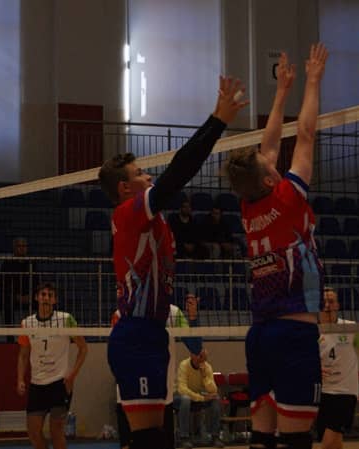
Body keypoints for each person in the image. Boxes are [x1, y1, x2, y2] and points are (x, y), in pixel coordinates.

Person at [99, 75, 247, 449]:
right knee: (149, 439)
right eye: (139, 174)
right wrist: (218, 120)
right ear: (125, 188)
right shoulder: (129, 213)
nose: (148, 175)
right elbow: (180, 171)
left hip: (153, 333)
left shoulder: (151, 219)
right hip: (135, 335)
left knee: (159, 437)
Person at [224, 45, 328, 449]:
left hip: (261, 334)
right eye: (270, 165)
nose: (273, 160)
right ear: (270, 180)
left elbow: (268, 149)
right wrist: (313, 80)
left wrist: (282, 91)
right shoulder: (287, 197)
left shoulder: (248, 207)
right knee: (296, 438)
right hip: (294, 333)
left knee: (262, 436)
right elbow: (305, 135)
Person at [112, 296, 200, 449]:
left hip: (162, 398)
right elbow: (115, 353)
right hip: (130, 398)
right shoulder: (121, 314)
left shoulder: (173, 313)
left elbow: (196, 348)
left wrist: (193, 318)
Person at [17, 283, 88, 449]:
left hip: (59, 384)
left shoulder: (66, 319)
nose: (46, 298)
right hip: (37, 384)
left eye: (50, 295)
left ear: (55, 300)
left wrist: (72, 375)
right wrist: (20, 379)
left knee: (56, 431)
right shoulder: (27, 323)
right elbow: (23, 355)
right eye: (43, 294)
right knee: (33, 432)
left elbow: (83, 348)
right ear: (36, 297)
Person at [316, 287, 359, 449]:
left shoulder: (351, 327)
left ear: (338, 305)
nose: (327, 305)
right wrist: (314, 369)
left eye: (331, 301)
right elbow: (304, 361)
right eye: (324, 301)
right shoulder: (312, 331)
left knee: (328, 443)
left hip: (346, 392)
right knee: (335, 442)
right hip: (322, 392)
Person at [174, 346, 223, 449]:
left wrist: (205, 376)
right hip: (180, 397)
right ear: (192, 355)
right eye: (200, 357)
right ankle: (184, 438)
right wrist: (202, 398)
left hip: (197, 395)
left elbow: (213, 390)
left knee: (215, 399)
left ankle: (215, 436)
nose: (202, 360)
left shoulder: (207, 367)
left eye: (204, 358)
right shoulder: (184, 365)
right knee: (186, 399)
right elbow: (182, 389)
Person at [1, 237, 32, 338]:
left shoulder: (31, 263)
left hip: (29, 295)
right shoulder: (7, 263)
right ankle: (9, 336)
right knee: (7, 302)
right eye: (19, 246)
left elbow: (36, 281)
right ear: (14, 248)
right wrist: (17, 296)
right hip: (12, 295)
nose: (22, 248)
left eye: (24, 246)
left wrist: (30, 295)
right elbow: (4, 283)